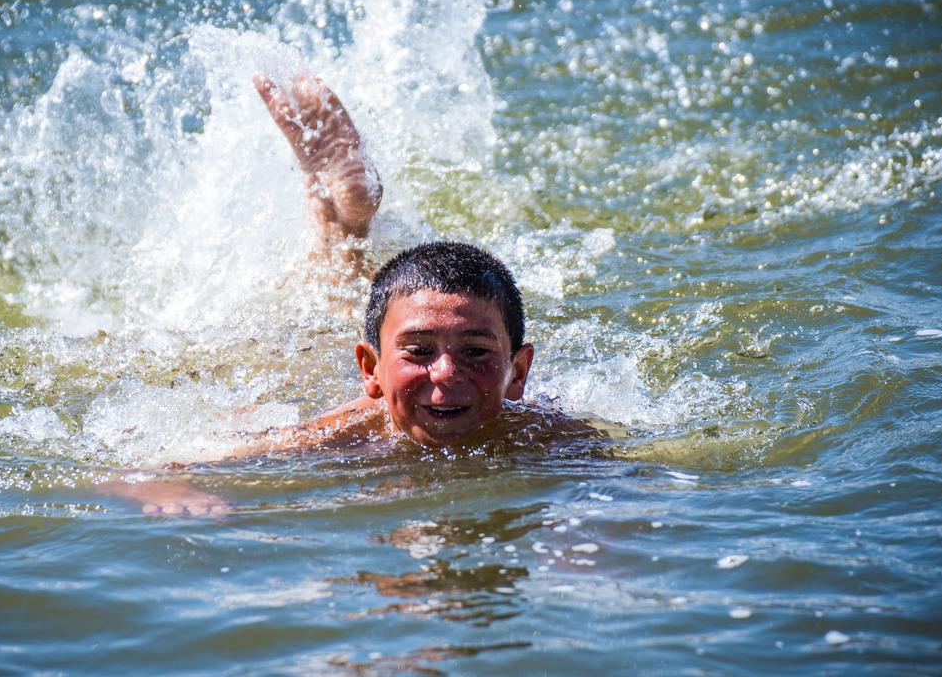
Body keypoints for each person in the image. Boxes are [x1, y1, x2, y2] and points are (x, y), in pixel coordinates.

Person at [103, 73, 597, 515]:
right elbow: (124, 473)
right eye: (420, 353)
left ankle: (344, 215)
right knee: (324, 312)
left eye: (476, 352)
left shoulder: (552, 438)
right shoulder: (337, 436)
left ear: (519, 371)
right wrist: (163, 489)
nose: (447, 372)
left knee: (350, 298)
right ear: (370, 371)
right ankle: (336, 211)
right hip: (309, 369)